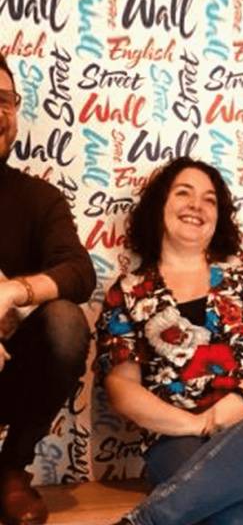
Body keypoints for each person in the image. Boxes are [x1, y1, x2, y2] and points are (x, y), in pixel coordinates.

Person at [95, 157, 243, 525]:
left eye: (209, 200)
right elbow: (122, 390)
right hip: (180, 440)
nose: (197, 205)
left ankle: (148, 520)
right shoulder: (128, 292)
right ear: (160, 205)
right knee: (232, 507)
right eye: (183, 193)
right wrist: (198, 425)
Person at [0, 55, 96, 525]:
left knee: (65, 320)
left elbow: (79, 272)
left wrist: (11, 294)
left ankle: (9, 470)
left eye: (5, 101)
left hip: (10, 372)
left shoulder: (38, 197)